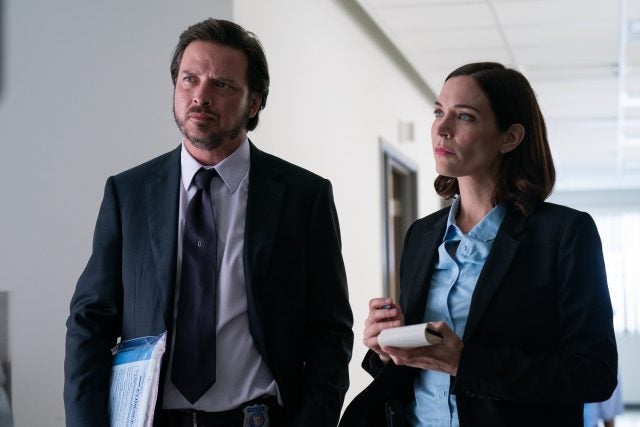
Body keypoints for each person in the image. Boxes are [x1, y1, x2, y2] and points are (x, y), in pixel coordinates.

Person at [64, 18, 353, 427]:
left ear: (253, 103)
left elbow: (329, 331)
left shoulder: (303, 197)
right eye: (189, 79)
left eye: (222, 85)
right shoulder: (128, 194)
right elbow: (90, 321)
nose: (200, 96)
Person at [339, 62, 618, 427]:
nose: (442, 128)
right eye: (438, 112)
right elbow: (419, 372)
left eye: (464, 116)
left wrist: (464, 362)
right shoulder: (422, 234)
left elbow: (594, 373)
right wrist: (388, 348)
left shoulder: (564, 234)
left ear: (510, 137)